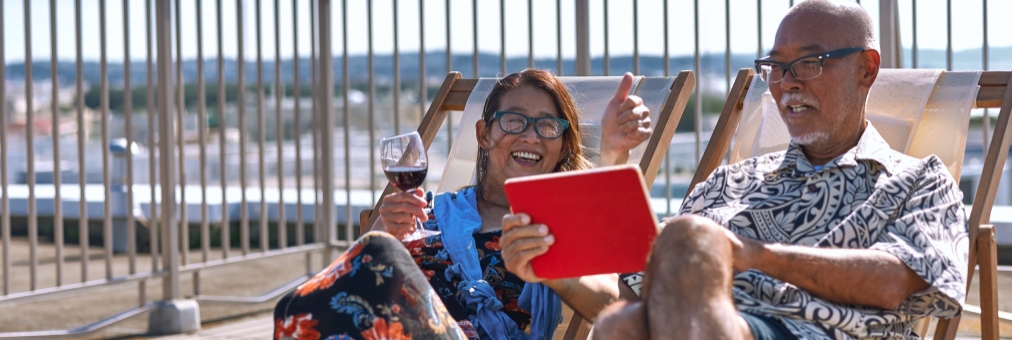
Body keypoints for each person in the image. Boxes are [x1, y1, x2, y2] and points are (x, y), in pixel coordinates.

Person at [499, 1, 969, 339]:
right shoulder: (728, 183)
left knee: (687, 239)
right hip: (697, 327)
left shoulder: (918, 181)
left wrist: (751, 254)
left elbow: (896, 281)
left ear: (866, 69)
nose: (787, 84)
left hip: (817, 333)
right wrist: (553, 271)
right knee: (621, 322)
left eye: (809, 63)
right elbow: (633, 294)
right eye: (776, 68)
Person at [273, 68, 654, 340]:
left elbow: (620, 311)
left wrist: (552, 270)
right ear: (484, 134)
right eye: (514, 121)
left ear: (562, 147)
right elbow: (345, 290)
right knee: (297, 309)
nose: (531, 136)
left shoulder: (559, 226)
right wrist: (383, 234)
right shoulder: (431, 210)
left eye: (547, 126)